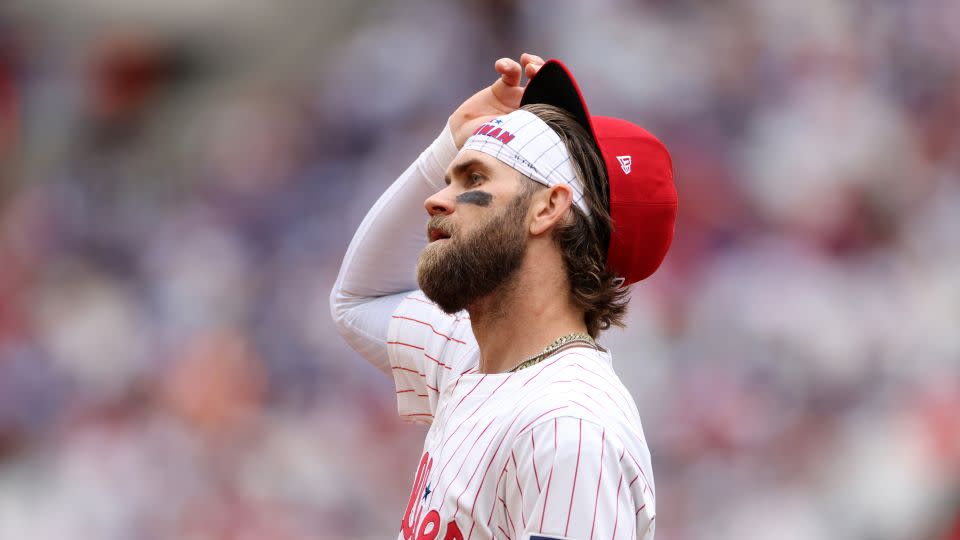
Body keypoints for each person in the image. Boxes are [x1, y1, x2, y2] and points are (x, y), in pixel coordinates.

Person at [331, 53, 677, 540]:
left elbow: (355, 300)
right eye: (449, 177)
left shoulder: (569, 428)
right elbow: (355, 302)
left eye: (473, 179)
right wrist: (447, 143)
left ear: (548, 209)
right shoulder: (469, 352)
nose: (435, 197)